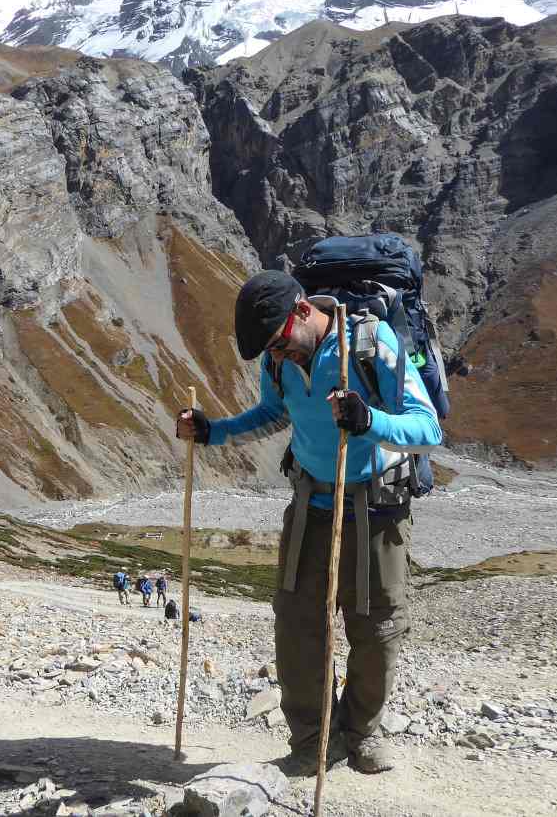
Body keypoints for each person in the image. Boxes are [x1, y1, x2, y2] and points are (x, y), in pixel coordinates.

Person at [176, 270, 442, 777]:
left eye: (279, 345)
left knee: (377, 627)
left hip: (376, 505)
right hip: (310, 503)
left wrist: (369, 421)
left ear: (301, 312)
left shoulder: (369, 344)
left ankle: (363, 733)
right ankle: (314, 741)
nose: (277, 357)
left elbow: (428, 427)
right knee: (297, 625)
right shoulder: (279, 361)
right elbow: (274, 415)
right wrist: (213, 432)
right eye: (269, 353)